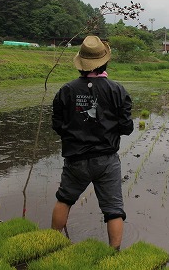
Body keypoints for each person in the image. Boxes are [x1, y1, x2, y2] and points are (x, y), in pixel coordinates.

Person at [51, 35, 134, 250]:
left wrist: (76, 134)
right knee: (113, 209)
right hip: (106, 160)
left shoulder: (66, 91)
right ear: (104, 62)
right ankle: (113, 254)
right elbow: (127, 128)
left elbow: (57, 125)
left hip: (75, 159)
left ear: (81, 63)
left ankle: (49, 246)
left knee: (64, 199)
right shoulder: (118, 91)